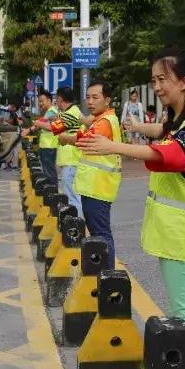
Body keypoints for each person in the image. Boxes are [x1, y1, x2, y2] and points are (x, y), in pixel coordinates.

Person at [80, 48, 185, 369]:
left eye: (163, 80)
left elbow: (170, 155)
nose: (156, 86)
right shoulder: (180, 121)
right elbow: (165, 133)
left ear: (184, 82)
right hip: (175, 234)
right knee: (180, 312)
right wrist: (140, 129)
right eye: (154, 79)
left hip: (183, 236)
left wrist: (113, 146)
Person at [68, 82, 122, 270]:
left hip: (99, 188)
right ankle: (105, 274)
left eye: (95, 97)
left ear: (107, 100)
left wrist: (65, 138)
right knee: (98, 232)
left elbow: (86, 142)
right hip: (94, 187)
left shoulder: (106, 122)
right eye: (88, 97)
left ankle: (109, 276)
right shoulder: (100, 119)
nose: (90, 101)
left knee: (101, 233)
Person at [50, 86, 84, 216]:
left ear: (60, 99)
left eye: (56, 99)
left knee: (72, 197)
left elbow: (53, 128)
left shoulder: (71, 113)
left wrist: (37, 124)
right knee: (72, 195)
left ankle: (77, 225)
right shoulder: (72, 111)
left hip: (71, 160)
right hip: (71, 160)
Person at [23, 89, 59, 183]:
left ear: (49, 100)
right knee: (47, 171)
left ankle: (52, 192)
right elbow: (40, 124)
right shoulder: (49, 112)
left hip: (50, 146)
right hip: (46, 146)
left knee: (49, 172)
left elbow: (42, 122)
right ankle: (50, 191)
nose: (40, 103)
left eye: (42, 101)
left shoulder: (53, 111)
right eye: (39, 101)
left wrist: (28, 130)